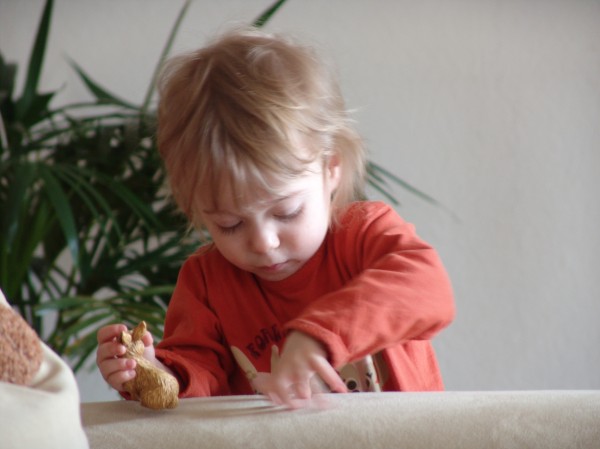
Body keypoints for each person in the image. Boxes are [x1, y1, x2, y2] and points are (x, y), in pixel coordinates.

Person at [96, 28, 455, 408]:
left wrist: (320, 335)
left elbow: (429, 289)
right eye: (230, 224)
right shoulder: (206, 284)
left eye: (287, 212)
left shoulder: (364, 234)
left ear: (331, 168)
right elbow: (200, 381)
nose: (263, 242)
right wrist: (154, 374)